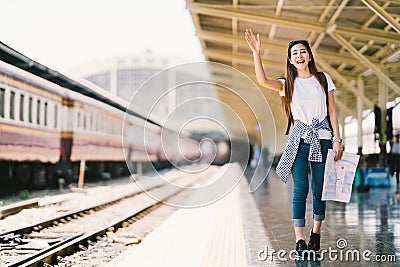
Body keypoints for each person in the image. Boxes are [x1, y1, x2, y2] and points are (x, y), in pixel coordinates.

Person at [245, 29, 343, 256]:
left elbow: (332, 111)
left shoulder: (323, 79)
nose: (299, 56)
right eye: (294, 53)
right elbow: (262, 80)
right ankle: (299, 239)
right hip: (299, 140)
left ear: (309, 56)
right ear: (290, 59)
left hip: (324, 138)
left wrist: (337, 139)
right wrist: (256, 53)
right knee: (300, 189)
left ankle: (315, 233)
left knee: (319, 190)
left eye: (303, 52)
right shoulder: (287, 83)